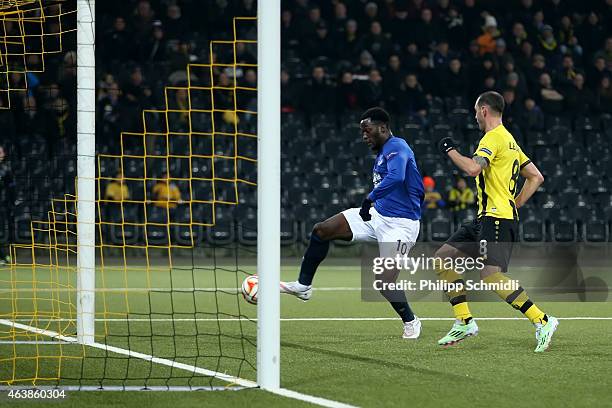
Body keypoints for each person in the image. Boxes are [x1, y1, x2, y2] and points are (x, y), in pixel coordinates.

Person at [281, 108, 425, 339]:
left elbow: (397, 177)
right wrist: (373, 203)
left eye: (367, 131)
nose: (364, 136)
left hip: (402, 225)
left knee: (384, 281)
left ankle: (411, 320)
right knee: (322, 230)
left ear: (382, 128)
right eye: (362, 132)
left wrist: (370, 198)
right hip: (377, 215)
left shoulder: (398, 146)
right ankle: (303, 286)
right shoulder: (382, 153)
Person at [436, 91, 558, 352]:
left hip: (497, 218)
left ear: (483, 111)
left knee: (490, 276)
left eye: (475, 111)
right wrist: (516, 203)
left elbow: (472, 168)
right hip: (487, 217)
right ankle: (465, 321)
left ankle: (543, 320)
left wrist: (450, 149)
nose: (474, 116)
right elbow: (536, 176)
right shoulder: (510, 141)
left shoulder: (492, 139)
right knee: (443, 257)